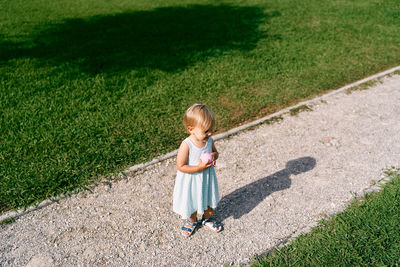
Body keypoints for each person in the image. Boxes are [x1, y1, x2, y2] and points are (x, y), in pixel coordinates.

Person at [173, 104, 222, 237]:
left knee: (208, 200)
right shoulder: (186, 145)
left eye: (212, 129)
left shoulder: (209, 139)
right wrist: (198, 167)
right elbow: (181, 166)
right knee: (192, 202)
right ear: (191, 129)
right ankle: (192, 221)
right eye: (206, 131)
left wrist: (213, 156)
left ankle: (207, 219)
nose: (210, 133)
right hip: (191, 180)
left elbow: (216, 152)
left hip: (206, 178)